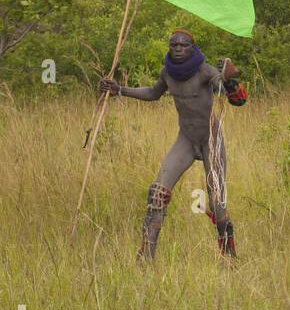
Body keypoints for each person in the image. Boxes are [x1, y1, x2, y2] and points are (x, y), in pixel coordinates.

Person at [98, 29, 248, 260]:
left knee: (217, 199)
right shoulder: (168, 73)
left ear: (192, 47)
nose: (178, 49)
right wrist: (120, 90)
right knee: (157, 193)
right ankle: (146, 258)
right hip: (186, 140)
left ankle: (229, 256)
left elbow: (235, 98)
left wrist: (228, 79)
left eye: (183, 45)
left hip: (211, 140)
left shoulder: (204, 71)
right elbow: (152, 93)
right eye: (173, 45)